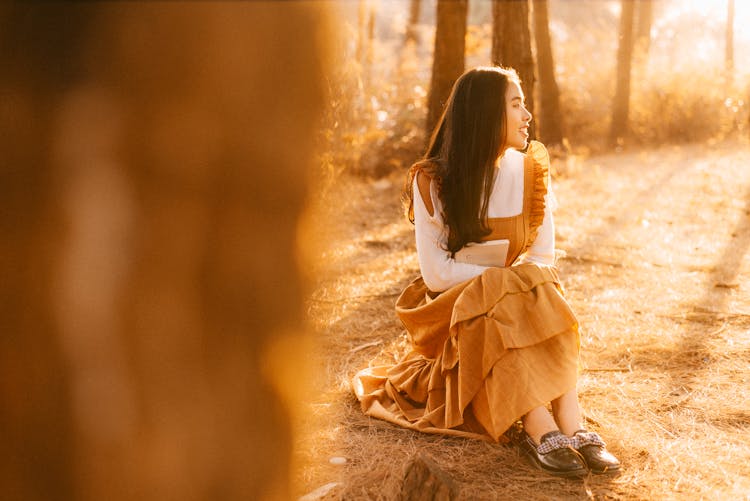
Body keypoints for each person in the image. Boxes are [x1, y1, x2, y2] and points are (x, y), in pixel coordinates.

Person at [352, 66, 620, 477]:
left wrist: (507, 284)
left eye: (525, 105)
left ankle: (570, 417)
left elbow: (542, 256)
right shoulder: (432, 180)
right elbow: (438, 275)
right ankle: (537, 423)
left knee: (540, 283)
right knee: (511, 293)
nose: (528, 115)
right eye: (516, 105)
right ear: (484, 114)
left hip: (514, 301)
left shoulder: (531, 171)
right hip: (452, 311)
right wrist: (499, 282)